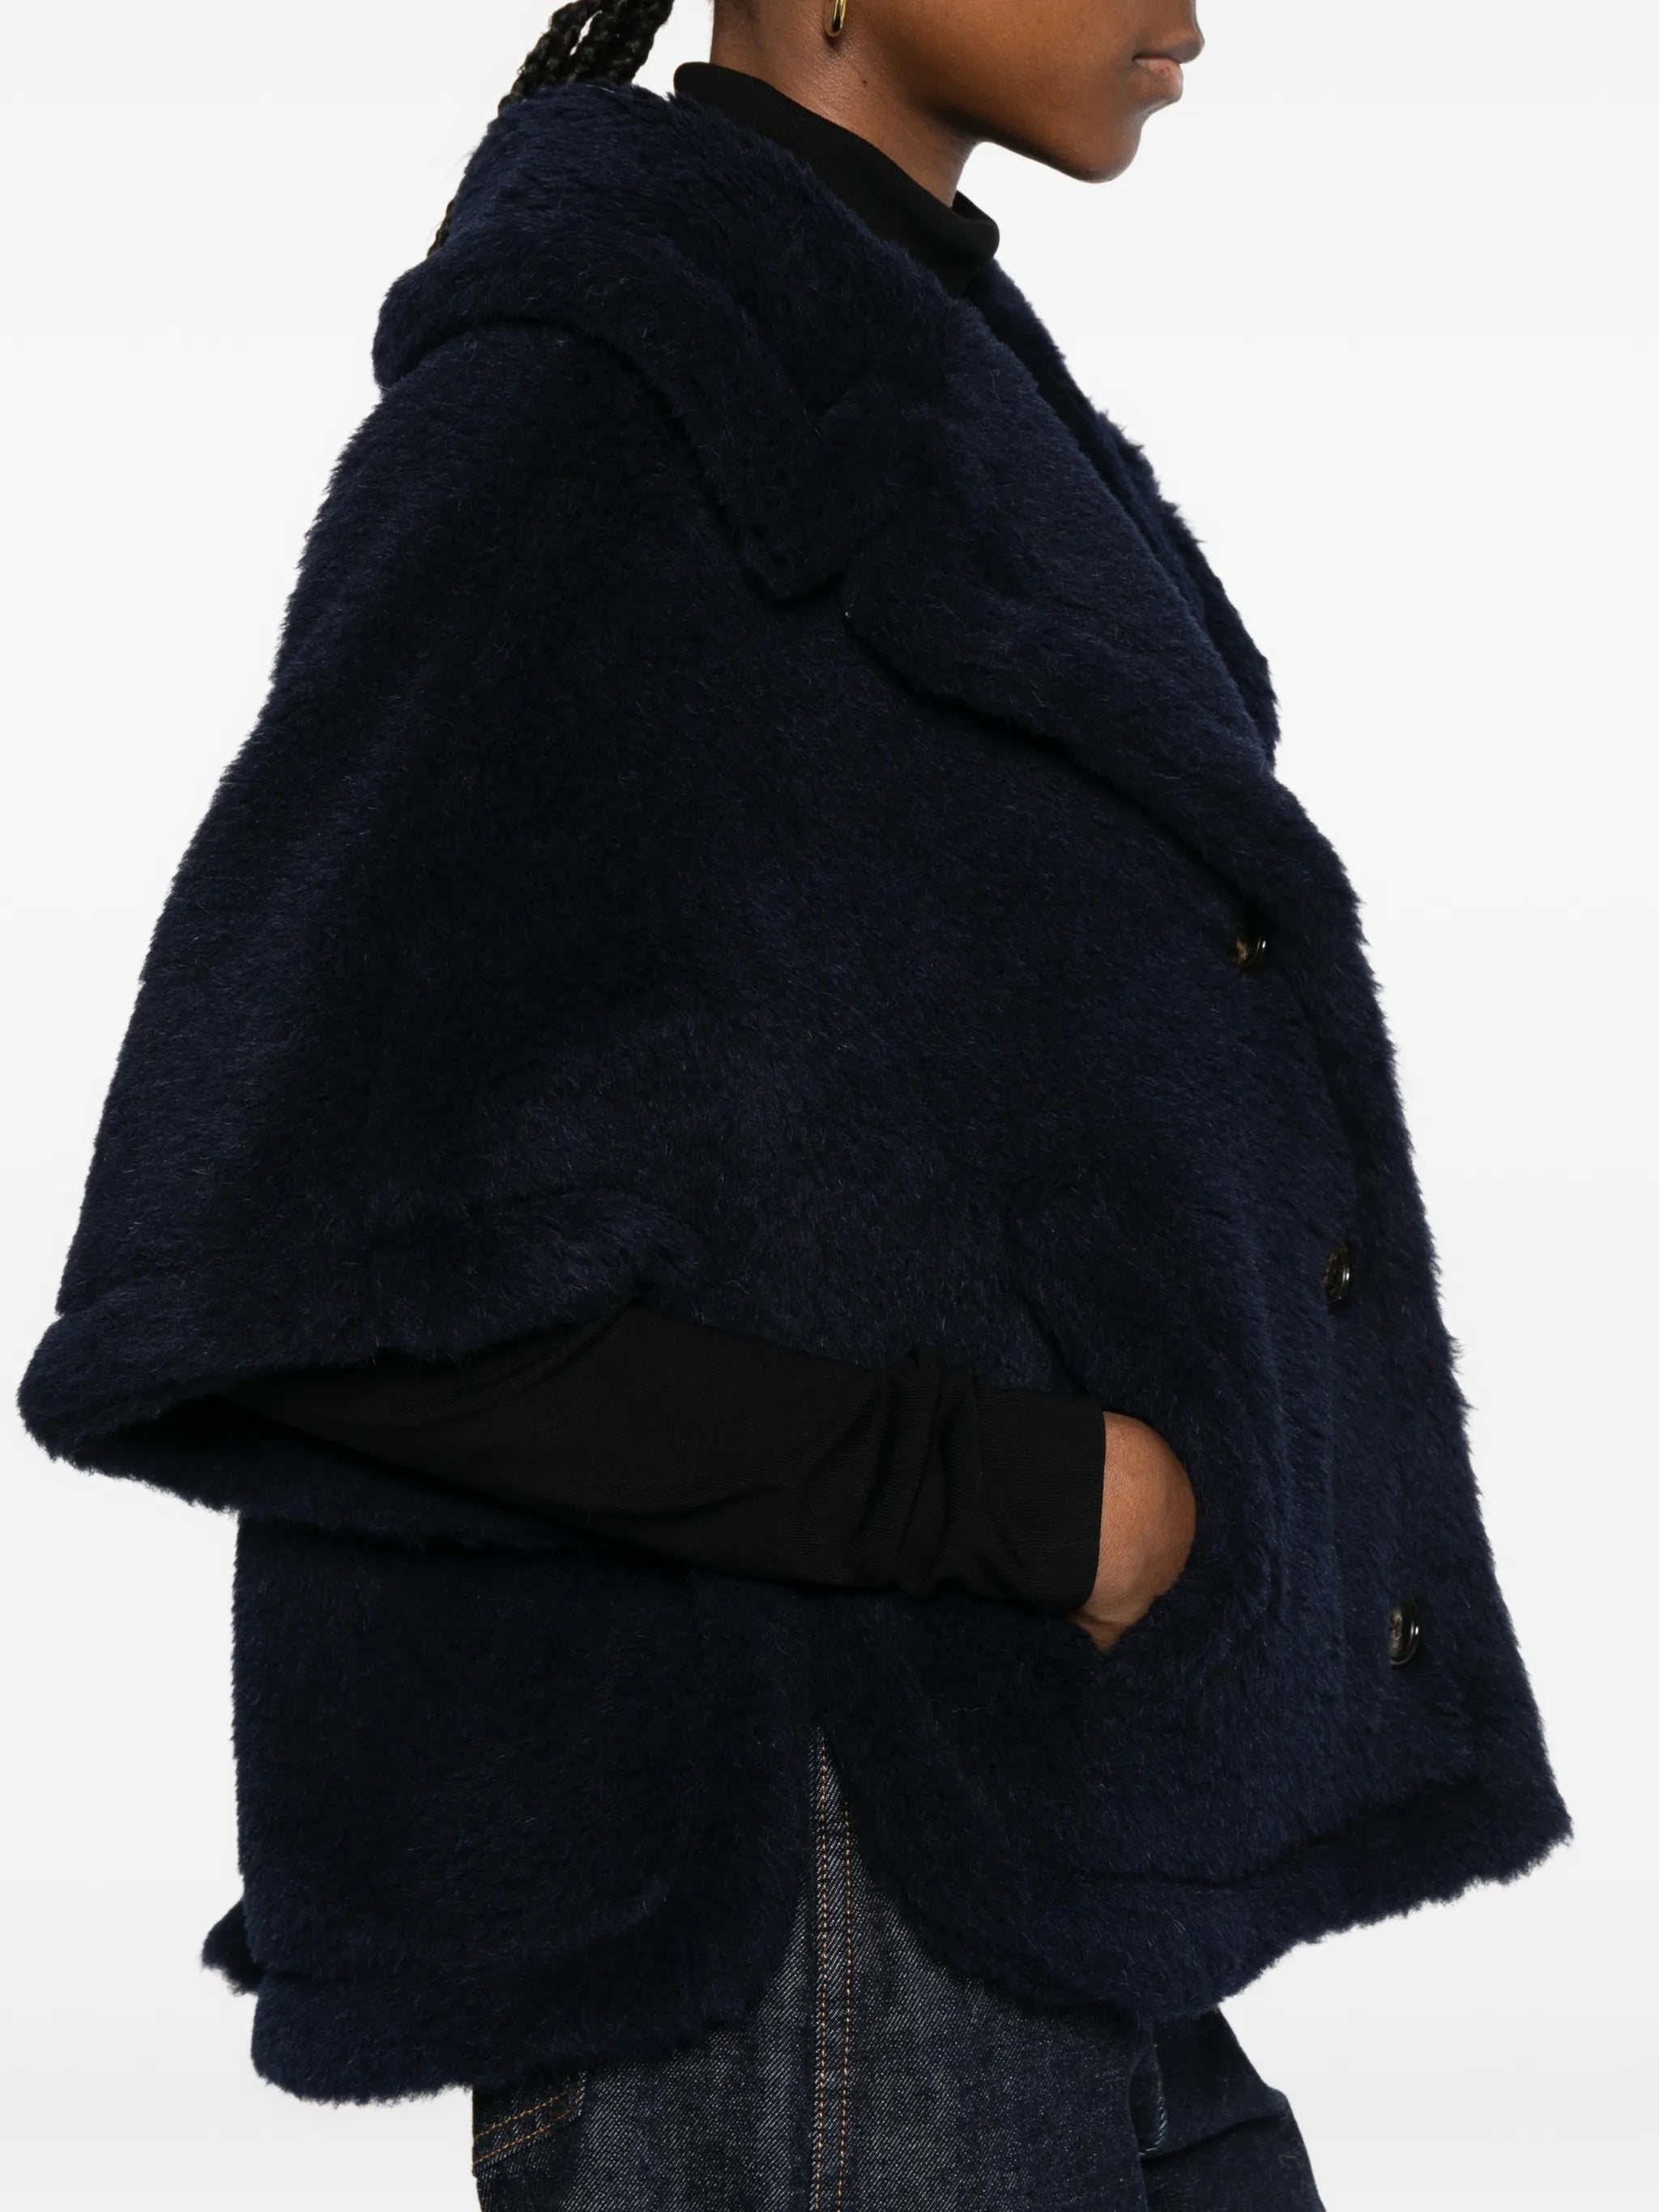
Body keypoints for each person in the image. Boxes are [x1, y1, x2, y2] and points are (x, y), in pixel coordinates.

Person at [19, 2, 1569, 2206]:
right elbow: (267, 1269)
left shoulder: (884, 377)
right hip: (793, 1923)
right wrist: (1025, 1499)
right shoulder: (597, 403)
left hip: (1005, 1887)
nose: (1190, 10)